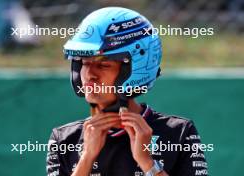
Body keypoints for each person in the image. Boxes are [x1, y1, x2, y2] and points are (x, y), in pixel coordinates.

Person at [46, 7, 208, 176]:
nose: (88, 75)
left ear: (134, 68)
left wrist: (147, 162)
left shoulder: (179, 133)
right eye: (84, 63)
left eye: (103, 65)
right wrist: (86, 158)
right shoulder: (64, 139)